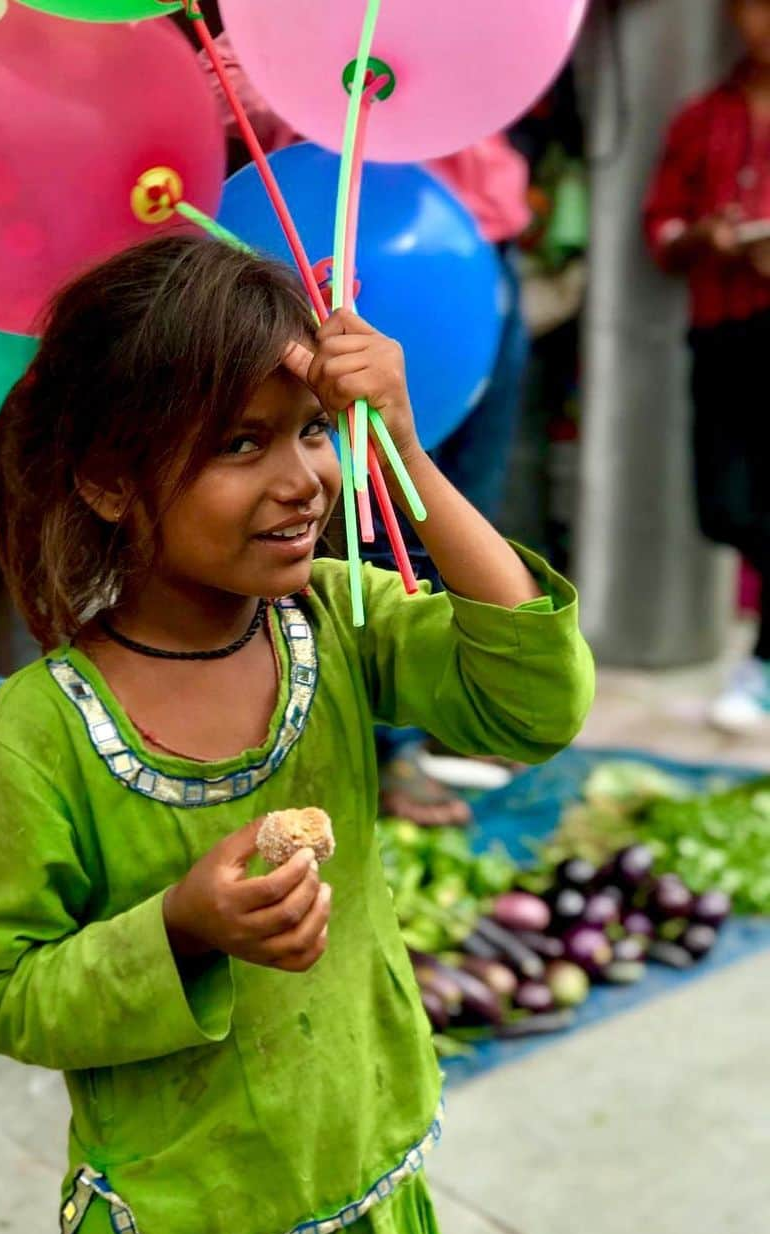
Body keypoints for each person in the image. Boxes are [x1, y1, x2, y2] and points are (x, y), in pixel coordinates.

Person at [0, 236, 594, 1234]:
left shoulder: (336, 624)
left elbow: (535, 702)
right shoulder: (41, 732)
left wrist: (404, 450)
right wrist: (179, 929)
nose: (304, 479)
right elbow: (6, 991)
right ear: (109, 476)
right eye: (240, 443)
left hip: (365, 1184)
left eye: (311, 430)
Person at [200, 30, 533, 822]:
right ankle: (369, 747)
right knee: (352, 528)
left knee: (456, 502)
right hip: (337, 276)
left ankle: (447, 703)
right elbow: (214, 99)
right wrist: (290, 79)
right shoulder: (277, 23)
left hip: (468, 257)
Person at [644, 0, 770, 732]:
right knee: (725, 504)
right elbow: (661, 233)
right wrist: (708, 238)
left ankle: (760, 666)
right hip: (723, 329)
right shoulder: (702, 118)